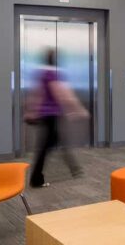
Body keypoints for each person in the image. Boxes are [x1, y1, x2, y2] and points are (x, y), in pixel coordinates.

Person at [26, 49, 88, 187]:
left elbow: (38, 93)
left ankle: (72, 169)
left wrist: (32, 110)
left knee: (52, 143)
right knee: (48, 145)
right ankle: (39, 178)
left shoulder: (42, 73)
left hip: (46, 115)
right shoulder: (53, 74)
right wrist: (78, 109)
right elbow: (62, 94)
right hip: (51, 115)